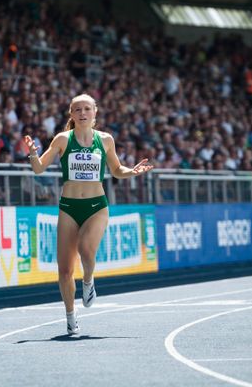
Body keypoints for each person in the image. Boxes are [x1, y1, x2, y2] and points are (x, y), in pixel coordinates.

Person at [23, 94, 153, 335]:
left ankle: (88, 281)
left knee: (85, 248)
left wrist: (132, 172)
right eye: (77, 109)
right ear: (71, 115)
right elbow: (39, 168)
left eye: (86, 109)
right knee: (64, 270)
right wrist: (32, 152)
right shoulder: (62, 139)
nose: (82, 113)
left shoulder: (105, 140)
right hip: (69, 208)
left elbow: (116, 170)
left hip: (96, 206)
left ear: (95, 113)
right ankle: (71, 316)